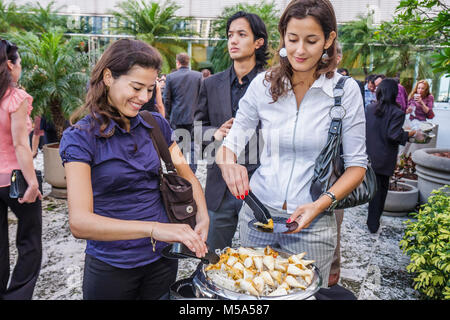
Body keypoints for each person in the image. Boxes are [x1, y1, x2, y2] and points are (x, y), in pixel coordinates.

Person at [215, 0, 368, 287]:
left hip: (313, 220)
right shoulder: (263, 85)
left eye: (311, 41)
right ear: (283, 35)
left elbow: (357, 166)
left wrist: (320, 205)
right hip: (257, 216)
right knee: (255, 293)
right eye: (293, 38)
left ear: (328, 39)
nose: (300, 50)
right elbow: (230, 143)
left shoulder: (344, 92)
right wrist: (227, 163)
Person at [59, 39, 209, 300]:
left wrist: (204, 217)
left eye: (150, 89)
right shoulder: (80, 137)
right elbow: (80, 223)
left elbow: (188, 175)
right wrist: (153, 228)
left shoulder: (155, 124)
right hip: (111, 265)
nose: (144, 98)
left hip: (161, 260)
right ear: (108, 77)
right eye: (137, 87)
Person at [194, 10, 268, 252]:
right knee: (211, 257)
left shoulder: (273, 83)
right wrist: (214, 134)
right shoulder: (210, 84)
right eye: (230, 35)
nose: (233, 40)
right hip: (219, 187)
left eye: (241, 34)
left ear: (258, 42)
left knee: (259, 261)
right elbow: (196, 128)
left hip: (260, 184)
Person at [0, 39, 43, 300]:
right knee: (30, 243)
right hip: (16, 180)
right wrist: (33, 183)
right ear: (9, 65)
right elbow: (20, 144)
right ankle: (17, 296)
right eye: (20, 63)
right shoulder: (16, 97)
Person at [365, 78, 415, 233]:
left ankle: (371, 222)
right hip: (385, 157)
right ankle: (373, 224)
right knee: (380, 192)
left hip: (369, 155)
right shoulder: (397, 112)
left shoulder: (370, 108)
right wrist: (409, 135)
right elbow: (393, 135)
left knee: (373, 190)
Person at [163, 53, 202, 132]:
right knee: (196, 143)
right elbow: (203, 96)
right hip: (195, 117)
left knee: (177, 143)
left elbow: (166, 98)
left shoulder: (170, 77)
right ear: (188, 62)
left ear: (178, 62)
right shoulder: (198, 76)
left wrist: (169, 113)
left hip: (177, 117)